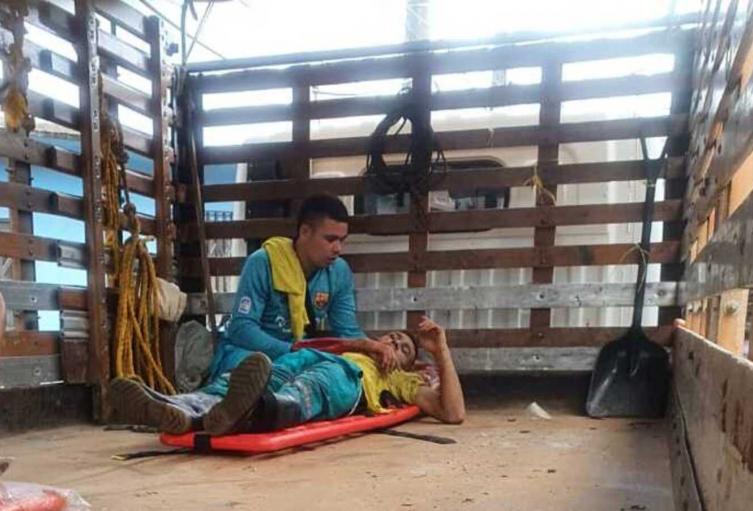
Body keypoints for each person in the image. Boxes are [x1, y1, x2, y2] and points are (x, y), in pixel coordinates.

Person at [110, 317, 465, 434]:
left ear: (406, 367)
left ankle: (254, 410)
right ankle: (183, 407)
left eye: (403, 348)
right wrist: (364, 344)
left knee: (307, 388)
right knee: (245, 377)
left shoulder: (397, 379)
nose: (393, 342)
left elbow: (453, 413)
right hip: (310, 358)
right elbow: (305, 348)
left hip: (346, 379)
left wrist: (442, 351)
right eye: (391, 336)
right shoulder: (357, 346)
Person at [206, 193, 398, 395]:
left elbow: (348, 331)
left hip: (300, 358)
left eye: (342, 240)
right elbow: (241, 328)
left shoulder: (339, 272)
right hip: (252, 355)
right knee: (247, 375)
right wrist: (293, 351)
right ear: (305, 231)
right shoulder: (264, 262)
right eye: (330, 239)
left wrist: (375, 351)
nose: (338, 248)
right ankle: (198, 407)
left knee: (343, 374)